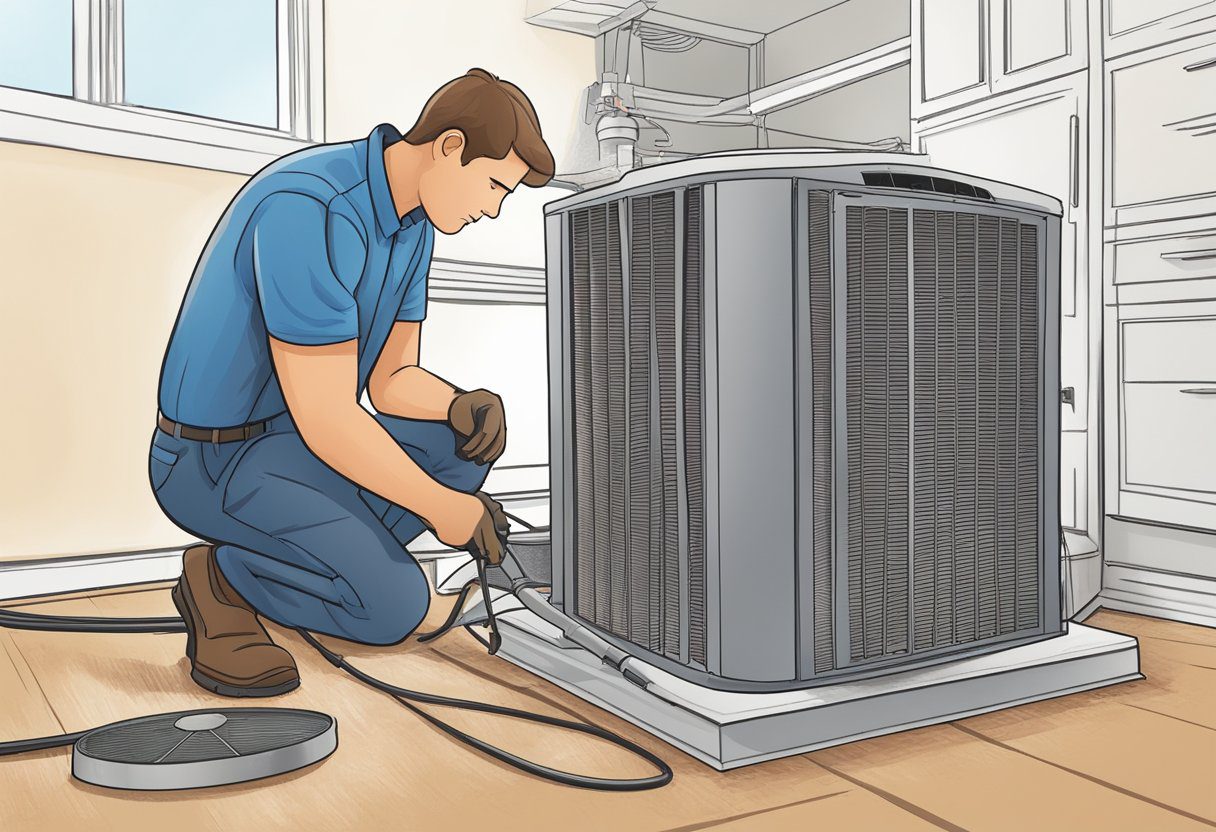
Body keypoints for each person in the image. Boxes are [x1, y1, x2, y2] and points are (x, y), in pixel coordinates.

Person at [149, 68, 554, 697]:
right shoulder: (309, 209)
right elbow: (329, 418)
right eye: (496, 185)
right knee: (395, 608)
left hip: (290, 447)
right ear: (449, 147)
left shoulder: (416, 224)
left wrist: (459, 404)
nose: (493, 209)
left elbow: (392, 381)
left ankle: (324, 554)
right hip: (213, 459)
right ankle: (224, 574)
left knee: (458, 442)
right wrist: (444, 508)